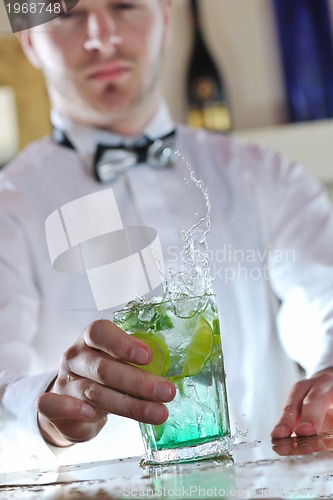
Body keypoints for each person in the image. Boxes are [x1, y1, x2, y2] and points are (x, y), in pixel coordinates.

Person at [1, 0, 333, 471]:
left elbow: (326, 300)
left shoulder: (267, 175)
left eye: (125, 5)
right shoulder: (7, 210)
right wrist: (45, 409)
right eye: (69, 14)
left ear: (166, 17)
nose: (103, 37)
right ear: (29, 38)